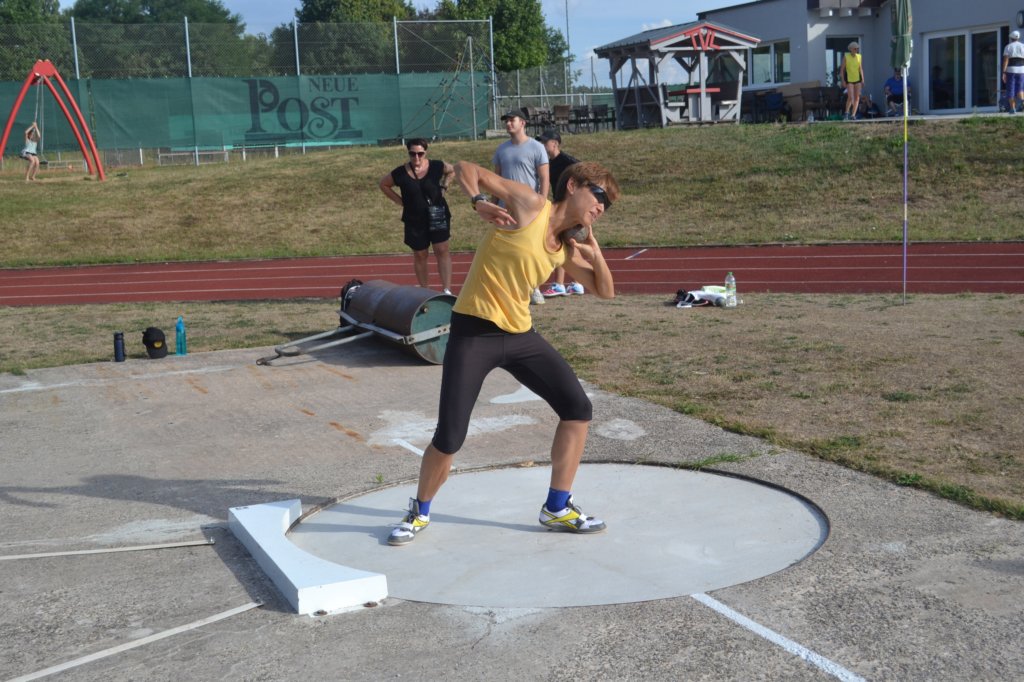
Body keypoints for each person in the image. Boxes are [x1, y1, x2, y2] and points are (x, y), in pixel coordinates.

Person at [387, 159, 620, 546]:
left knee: (578, 408)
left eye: (606, 205)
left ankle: (557, 507)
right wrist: (477, 200)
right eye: (598, 196)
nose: (601, 207)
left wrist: (596, 256)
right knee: (450, 436)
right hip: (474, 334)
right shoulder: (531, 205)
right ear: (573, 186)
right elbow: (466, 168)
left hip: (520, 337)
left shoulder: (565, 246)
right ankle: (419, 512)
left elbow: (605, 291)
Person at [379, 138, 455, 294]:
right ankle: (425, 291)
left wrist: (444, 187)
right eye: (412, 154)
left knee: (442, 250)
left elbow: (452, 170)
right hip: (414, 219)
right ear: (408, 153)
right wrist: (400, 201)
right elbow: (384, 184)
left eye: (420, 153)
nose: (416, 157)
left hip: (437, 214)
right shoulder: (400, 172)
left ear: (425, 152)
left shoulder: (436, 166)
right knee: (420, 254)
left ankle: (447, 290)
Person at [492, 108, 550, 304]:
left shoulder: (536, 147)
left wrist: (542, 202)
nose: (508, 123)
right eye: (506, 121)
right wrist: (493, 205)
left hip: (528, 207)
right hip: (506, 207)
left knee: (529, 248)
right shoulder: (501, 149)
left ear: (523, 123)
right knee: (506, 248)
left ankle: (534, 288)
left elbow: (544, 178)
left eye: (512, 120)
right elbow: (496, 180)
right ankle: (509, 289)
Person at [535, 129, 584, 297]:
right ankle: (575, 283)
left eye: (544, 142)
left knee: (561, 242)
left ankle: (560, 284)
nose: (542, 145)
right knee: (567, 243)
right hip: (559, 206)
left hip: (568, 207)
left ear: (555, 144)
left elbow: (586, 177)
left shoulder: (569, 162)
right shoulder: (548, 163)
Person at [840, 41, 864, 120]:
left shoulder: (859, 56)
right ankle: (846, 113)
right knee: (850, 97)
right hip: (849, 79)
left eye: (857, 49)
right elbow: (842, 70)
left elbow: (860, 69)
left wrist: (863, 79)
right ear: (851, 49)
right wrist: (843, 80)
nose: (856, 50)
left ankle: (853, 115)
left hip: (857, 79)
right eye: (855, 49)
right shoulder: (846, 57)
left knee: (857, 97)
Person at [1002, 30, 1024, 114]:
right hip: (1021, 69)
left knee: (1011, 89)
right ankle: (1022, 103)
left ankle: (1012, 108)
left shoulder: (1008, 47)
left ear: (1011, 38)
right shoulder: (1023, 46)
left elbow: (1006, 60)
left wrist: (1004, 72)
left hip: (1011, 70)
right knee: (1020, 88)